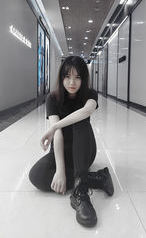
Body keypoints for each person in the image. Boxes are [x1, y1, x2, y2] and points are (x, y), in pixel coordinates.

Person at [29, 56, 114, 228]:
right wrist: (60, 170)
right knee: (36, 175)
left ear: (84, 78)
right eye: (67, 76)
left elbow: (85, 112)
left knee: (80, 121)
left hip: (84, 149)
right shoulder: (53, 98)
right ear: (61, 78)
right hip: (62, 149)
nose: (72, 82)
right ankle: (96, 178)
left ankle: (81, 192)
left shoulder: (90, 95)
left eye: (77, 77)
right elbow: (58, 134)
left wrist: (53, 127)